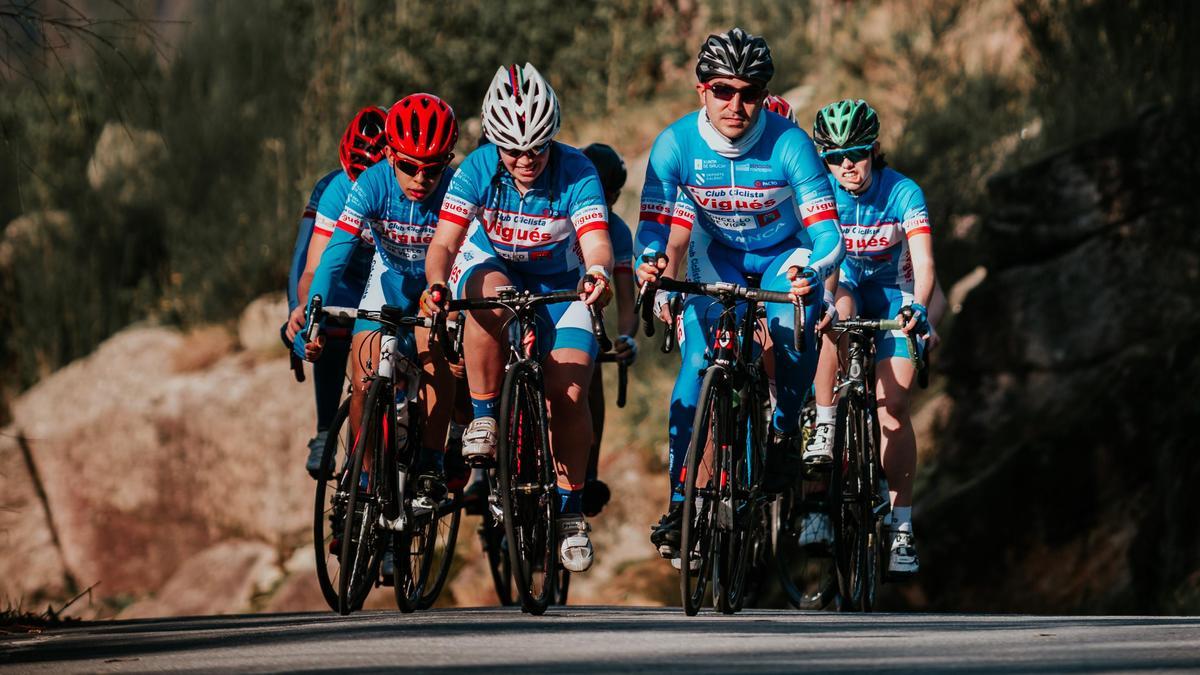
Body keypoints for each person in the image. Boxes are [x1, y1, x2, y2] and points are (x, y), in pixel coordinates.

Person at [634, 28, 844, 565]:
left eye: (750, 92)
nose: (737, 104)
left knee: (790, 329)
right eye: (724, 90)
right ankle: (682, 503)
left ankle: (782, 432)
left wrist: (814, 273)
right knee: (700, 361)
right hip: (718, 251)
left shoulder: (789, 143)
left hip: (783, 253)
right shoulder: (675, 143)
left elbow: (828, 236)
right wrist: (650, 262)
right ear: (701, 89)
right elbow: (655, 229)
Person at [423, 63, 614, 573]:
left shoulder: (576, 171)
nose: (526, 159)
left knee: (571, 392)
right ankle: (485, 416)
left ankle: (570, 513)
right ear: (494, 142)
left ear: (553, 136)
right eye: (513, 149)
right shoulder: (478, 168)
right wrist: (437, 284)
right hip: (498, 269)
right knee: (492, 299)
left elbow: (596, 238)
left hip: (562, 284)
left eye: (536, 147)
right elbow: (444, 242)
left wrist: (598, 271)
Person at [296, 94, 461, 508]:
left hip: (433, 288)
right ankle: (366, 476)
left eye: (433, 169)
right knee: (365, 378)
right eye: (409, 166)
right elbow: (334, 256)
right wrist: (313, 309)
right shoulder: (370, 184)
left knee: (435, 359)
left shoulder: (456, 189)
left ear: (448, 162)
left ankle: (430, 462)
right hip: (385, 282)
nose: (421, 179)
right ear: (389, 155)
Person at [806, 98, 936, 577]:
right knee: (832, 314)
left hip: (895, 293)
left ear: (874, 149)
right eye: (835, 158)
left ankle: (901, 528)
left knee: (895, 408)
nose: (847, 166)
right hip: (848, 288)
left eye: (856, 154)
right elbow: (823, 265)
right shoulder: (822, 193)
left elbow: (923, 265)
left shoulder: (903, 192)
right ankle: (824, 422)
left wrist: (919, 307)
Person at [284, 106, 386, 478]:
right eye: (355, 175)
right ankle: (327, 430)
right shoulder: (331, 188)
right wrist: (300, 312)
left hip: (386, 280)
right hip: (343, 279)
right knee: (327, 324)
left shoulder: (407, 184)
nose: (362, 187)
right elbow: (306, 261)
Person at [580, 142, 638, 517]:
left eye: (614, 196)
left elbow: (628, 302)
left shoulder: (616, 230)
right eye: (603, 193)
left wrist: (626, 336)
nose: (608, 202)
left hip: (586, 308)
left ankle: (587, 473)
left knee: (590, 370)